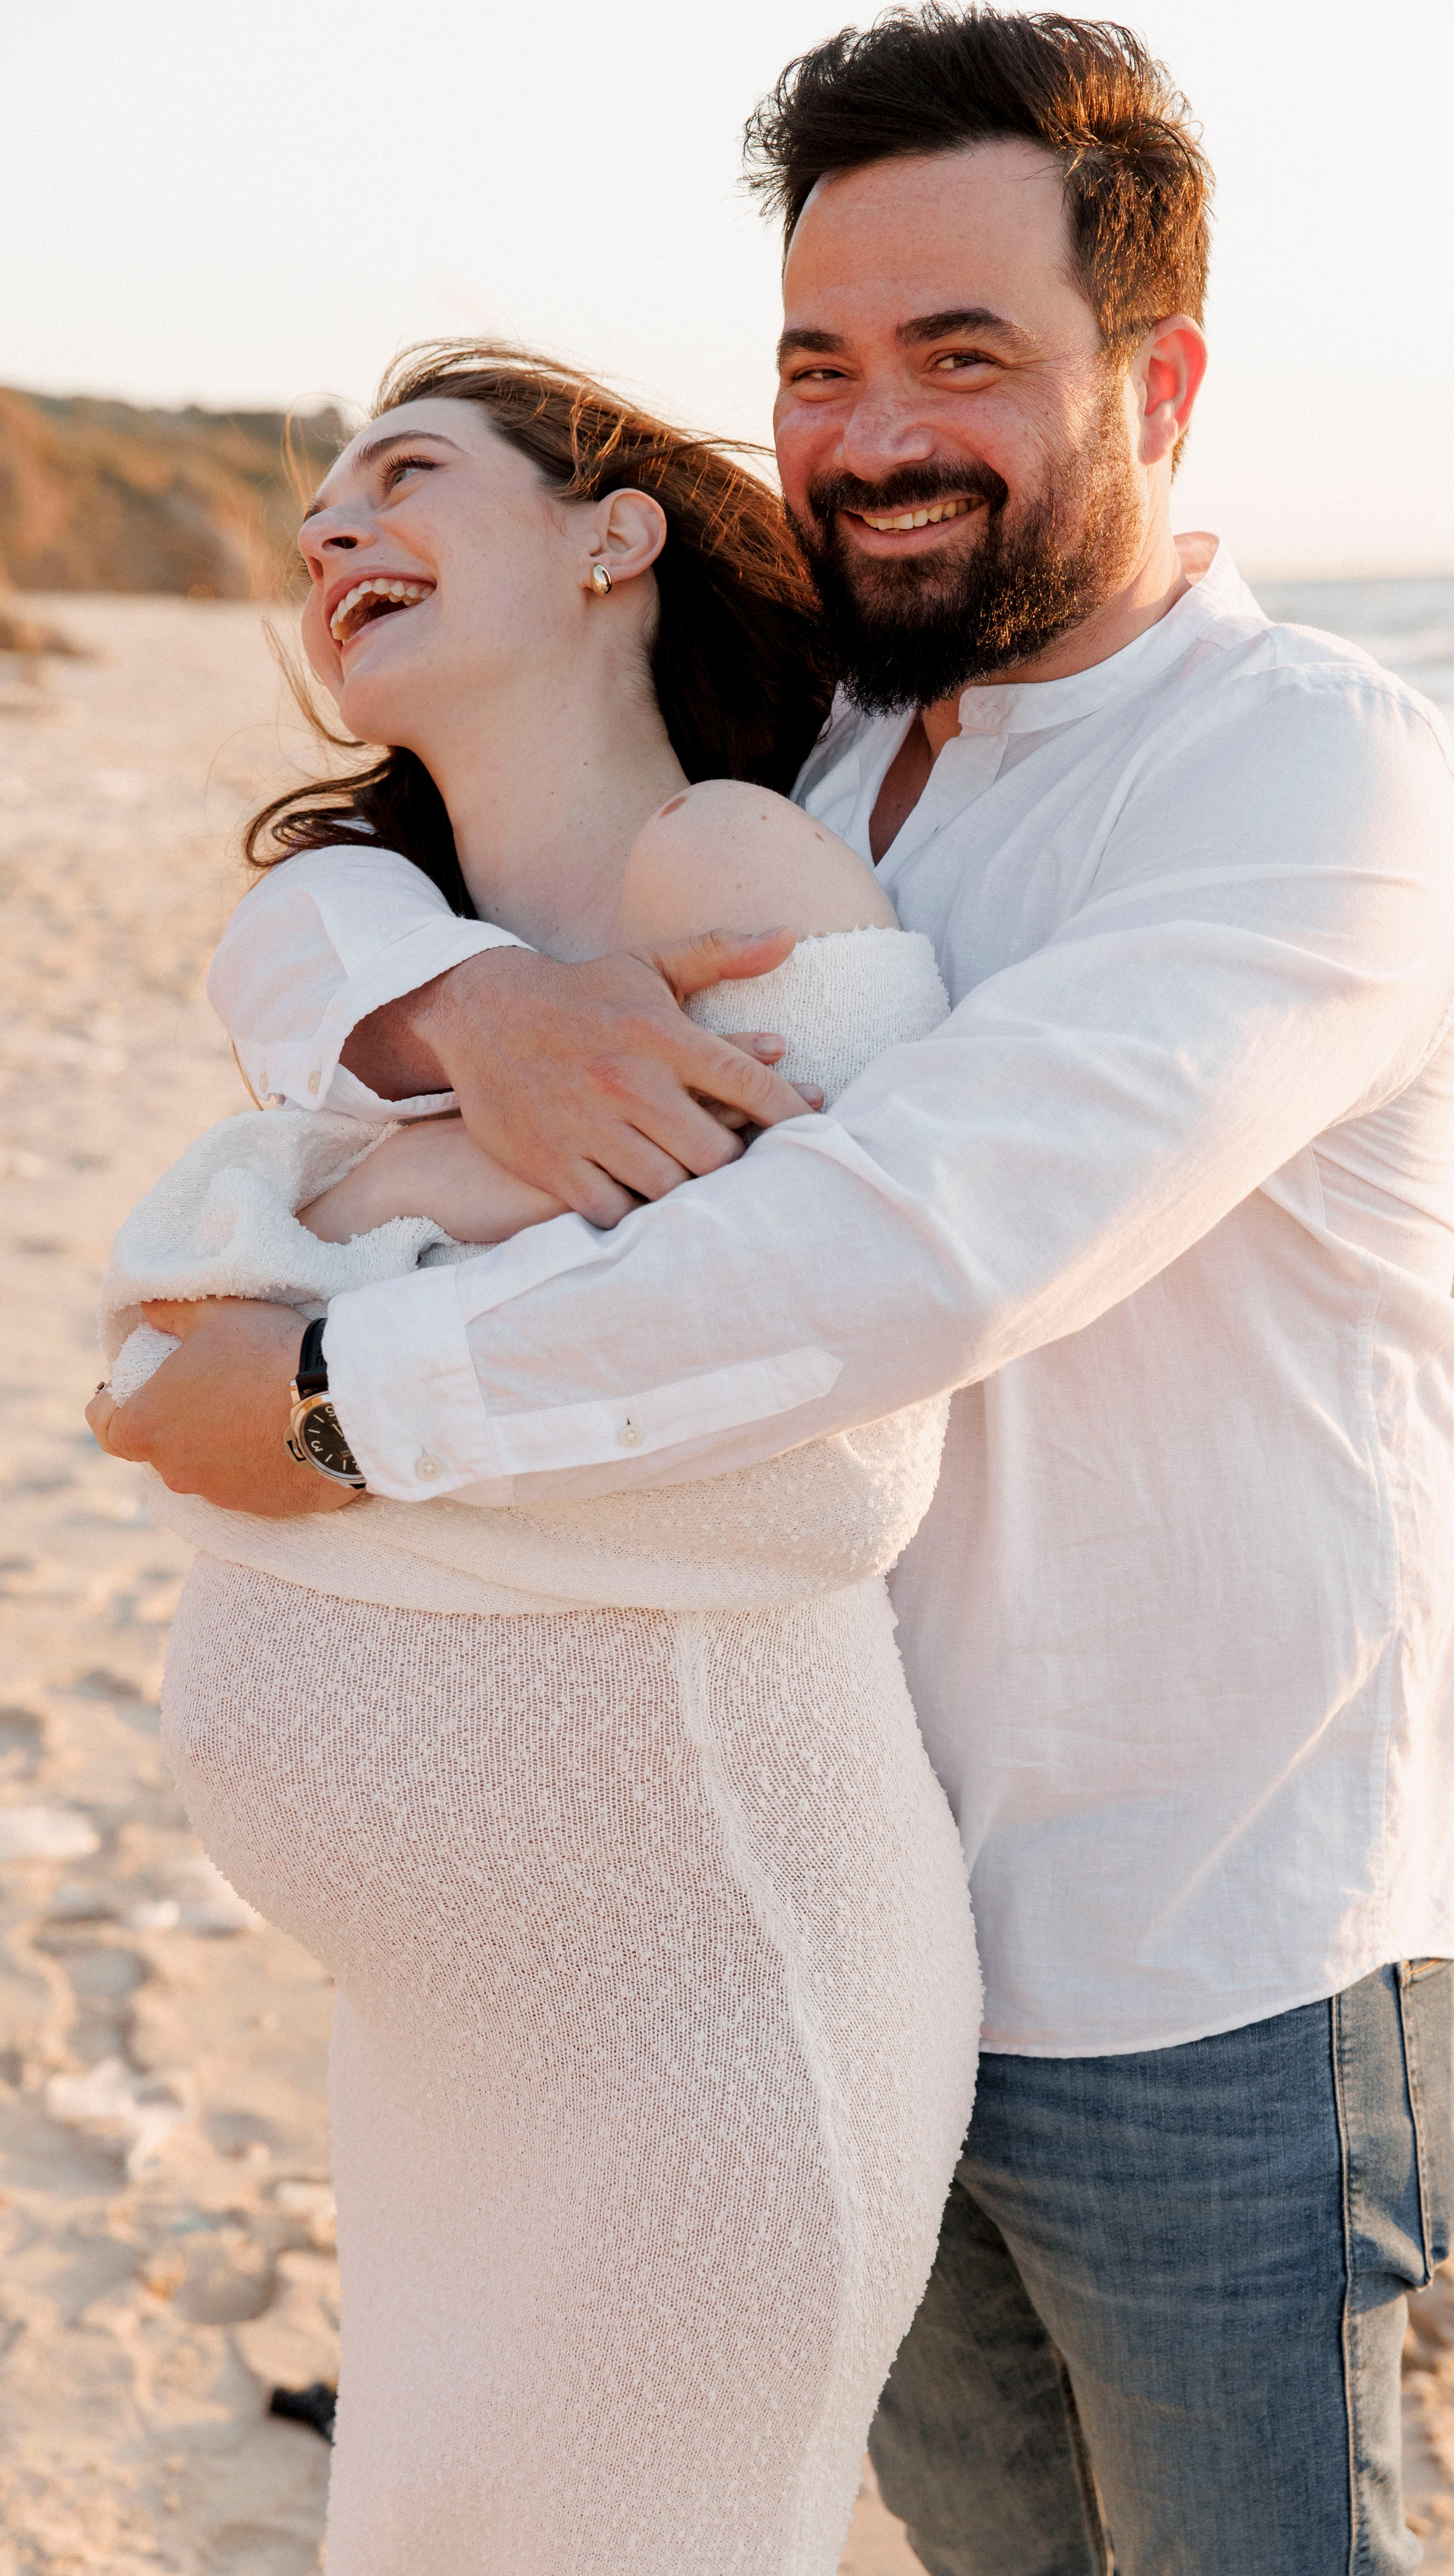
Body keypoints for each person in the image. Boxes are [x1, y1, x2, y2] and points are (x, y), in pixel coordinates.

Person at [95, 13, 1454, 2572]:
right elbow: (361, 857)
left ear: (1160, 377)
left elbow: (901, 1253)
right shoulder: (823, 738)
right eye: (821, 369)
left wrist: (323, 1397)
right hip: (834, 1916)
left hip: (1192, 1948)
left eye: (968, 358)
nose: (875, 435)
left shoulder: (1306, 783)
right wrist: (443, 1002)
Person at [95, 348, 982, 2576]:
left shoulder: (730, 864)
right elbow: (146, 1313)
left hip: (702, 2016)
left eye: (405, 474)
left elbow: (817, 1449)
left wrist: (333, 1299)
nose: (328, 531)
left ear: (614, 538)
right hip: (447, 2038)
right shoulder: (371, 925)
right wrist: (442, 1204)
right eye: (314, 510)